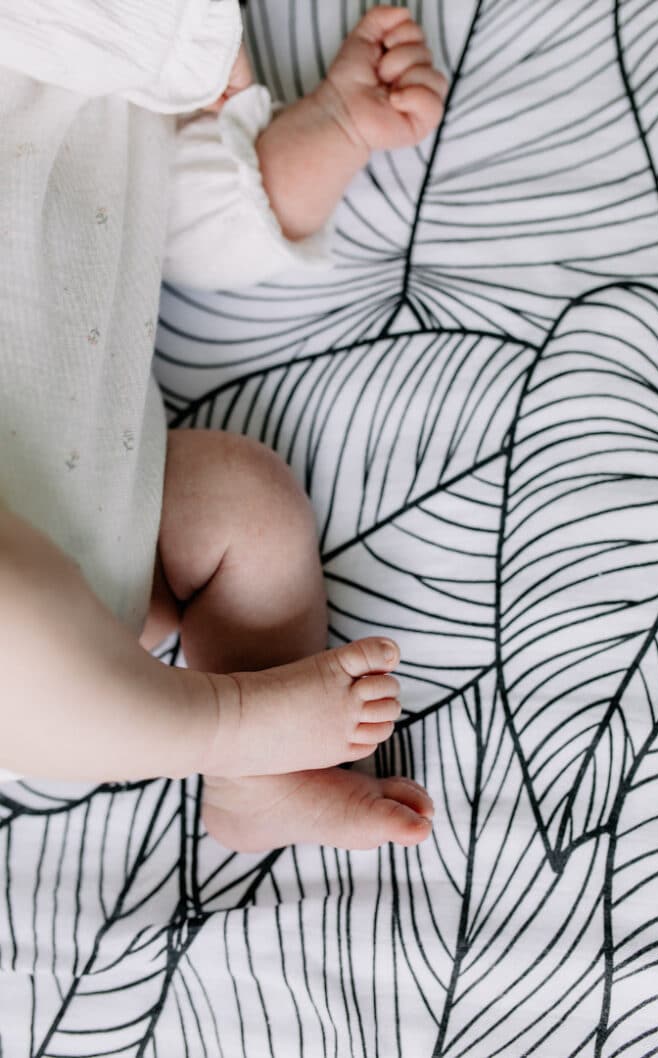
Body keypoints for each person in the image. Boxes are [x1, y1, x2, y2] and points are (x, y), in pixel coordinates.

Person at [0, 2, 447, 851]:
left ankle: (259, 784)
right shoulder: (142, 36)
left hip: (110, 577)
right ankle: (225, 727)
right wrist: (202, 45)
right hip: (34, 644)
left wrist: (330, 129)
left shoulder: (151, 62)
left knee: (242, 499)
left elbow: (198, 237)